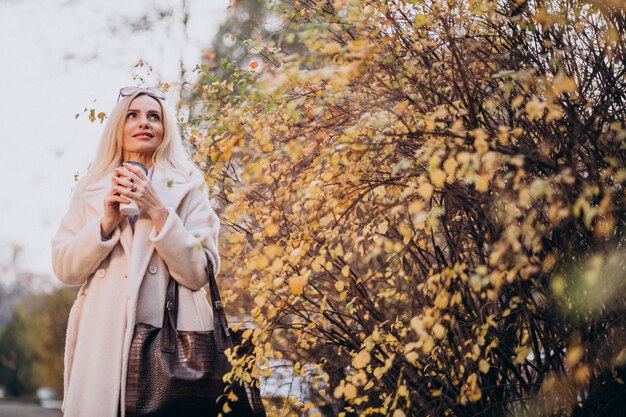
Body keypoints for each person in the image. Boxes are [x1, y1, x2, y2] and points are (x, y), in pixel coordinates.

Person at [51, 87, 221, 417]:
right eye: (133, 115)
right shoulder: (91, 187)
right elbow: (64, 268)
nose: (143, 122)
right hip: (101, 345)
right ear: (119, 126)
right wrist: (106, 222)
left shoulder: (188, 187)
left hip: (169, 348)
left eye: (153, 116)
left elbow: (201, 272)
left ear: (165, 129)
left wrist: (158, 210)